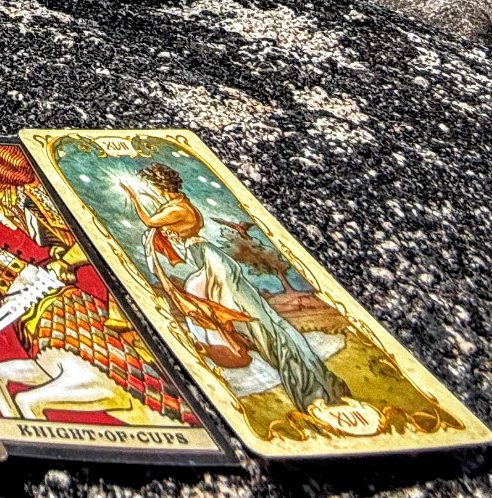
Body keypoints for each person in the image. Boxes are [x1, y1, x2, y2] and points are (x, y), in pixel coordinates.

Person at [122, 164, 342, 410]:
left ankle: (233, 349)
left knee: (230, 310)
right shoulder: (179, 204)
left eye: (153, 186)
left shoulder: (177, 208)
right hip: (207, 261)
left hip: (211, 262)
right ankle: (225, 347)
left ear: (161, 186)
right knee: (202, 301)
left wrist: (134, 198)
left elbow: (151, 220)